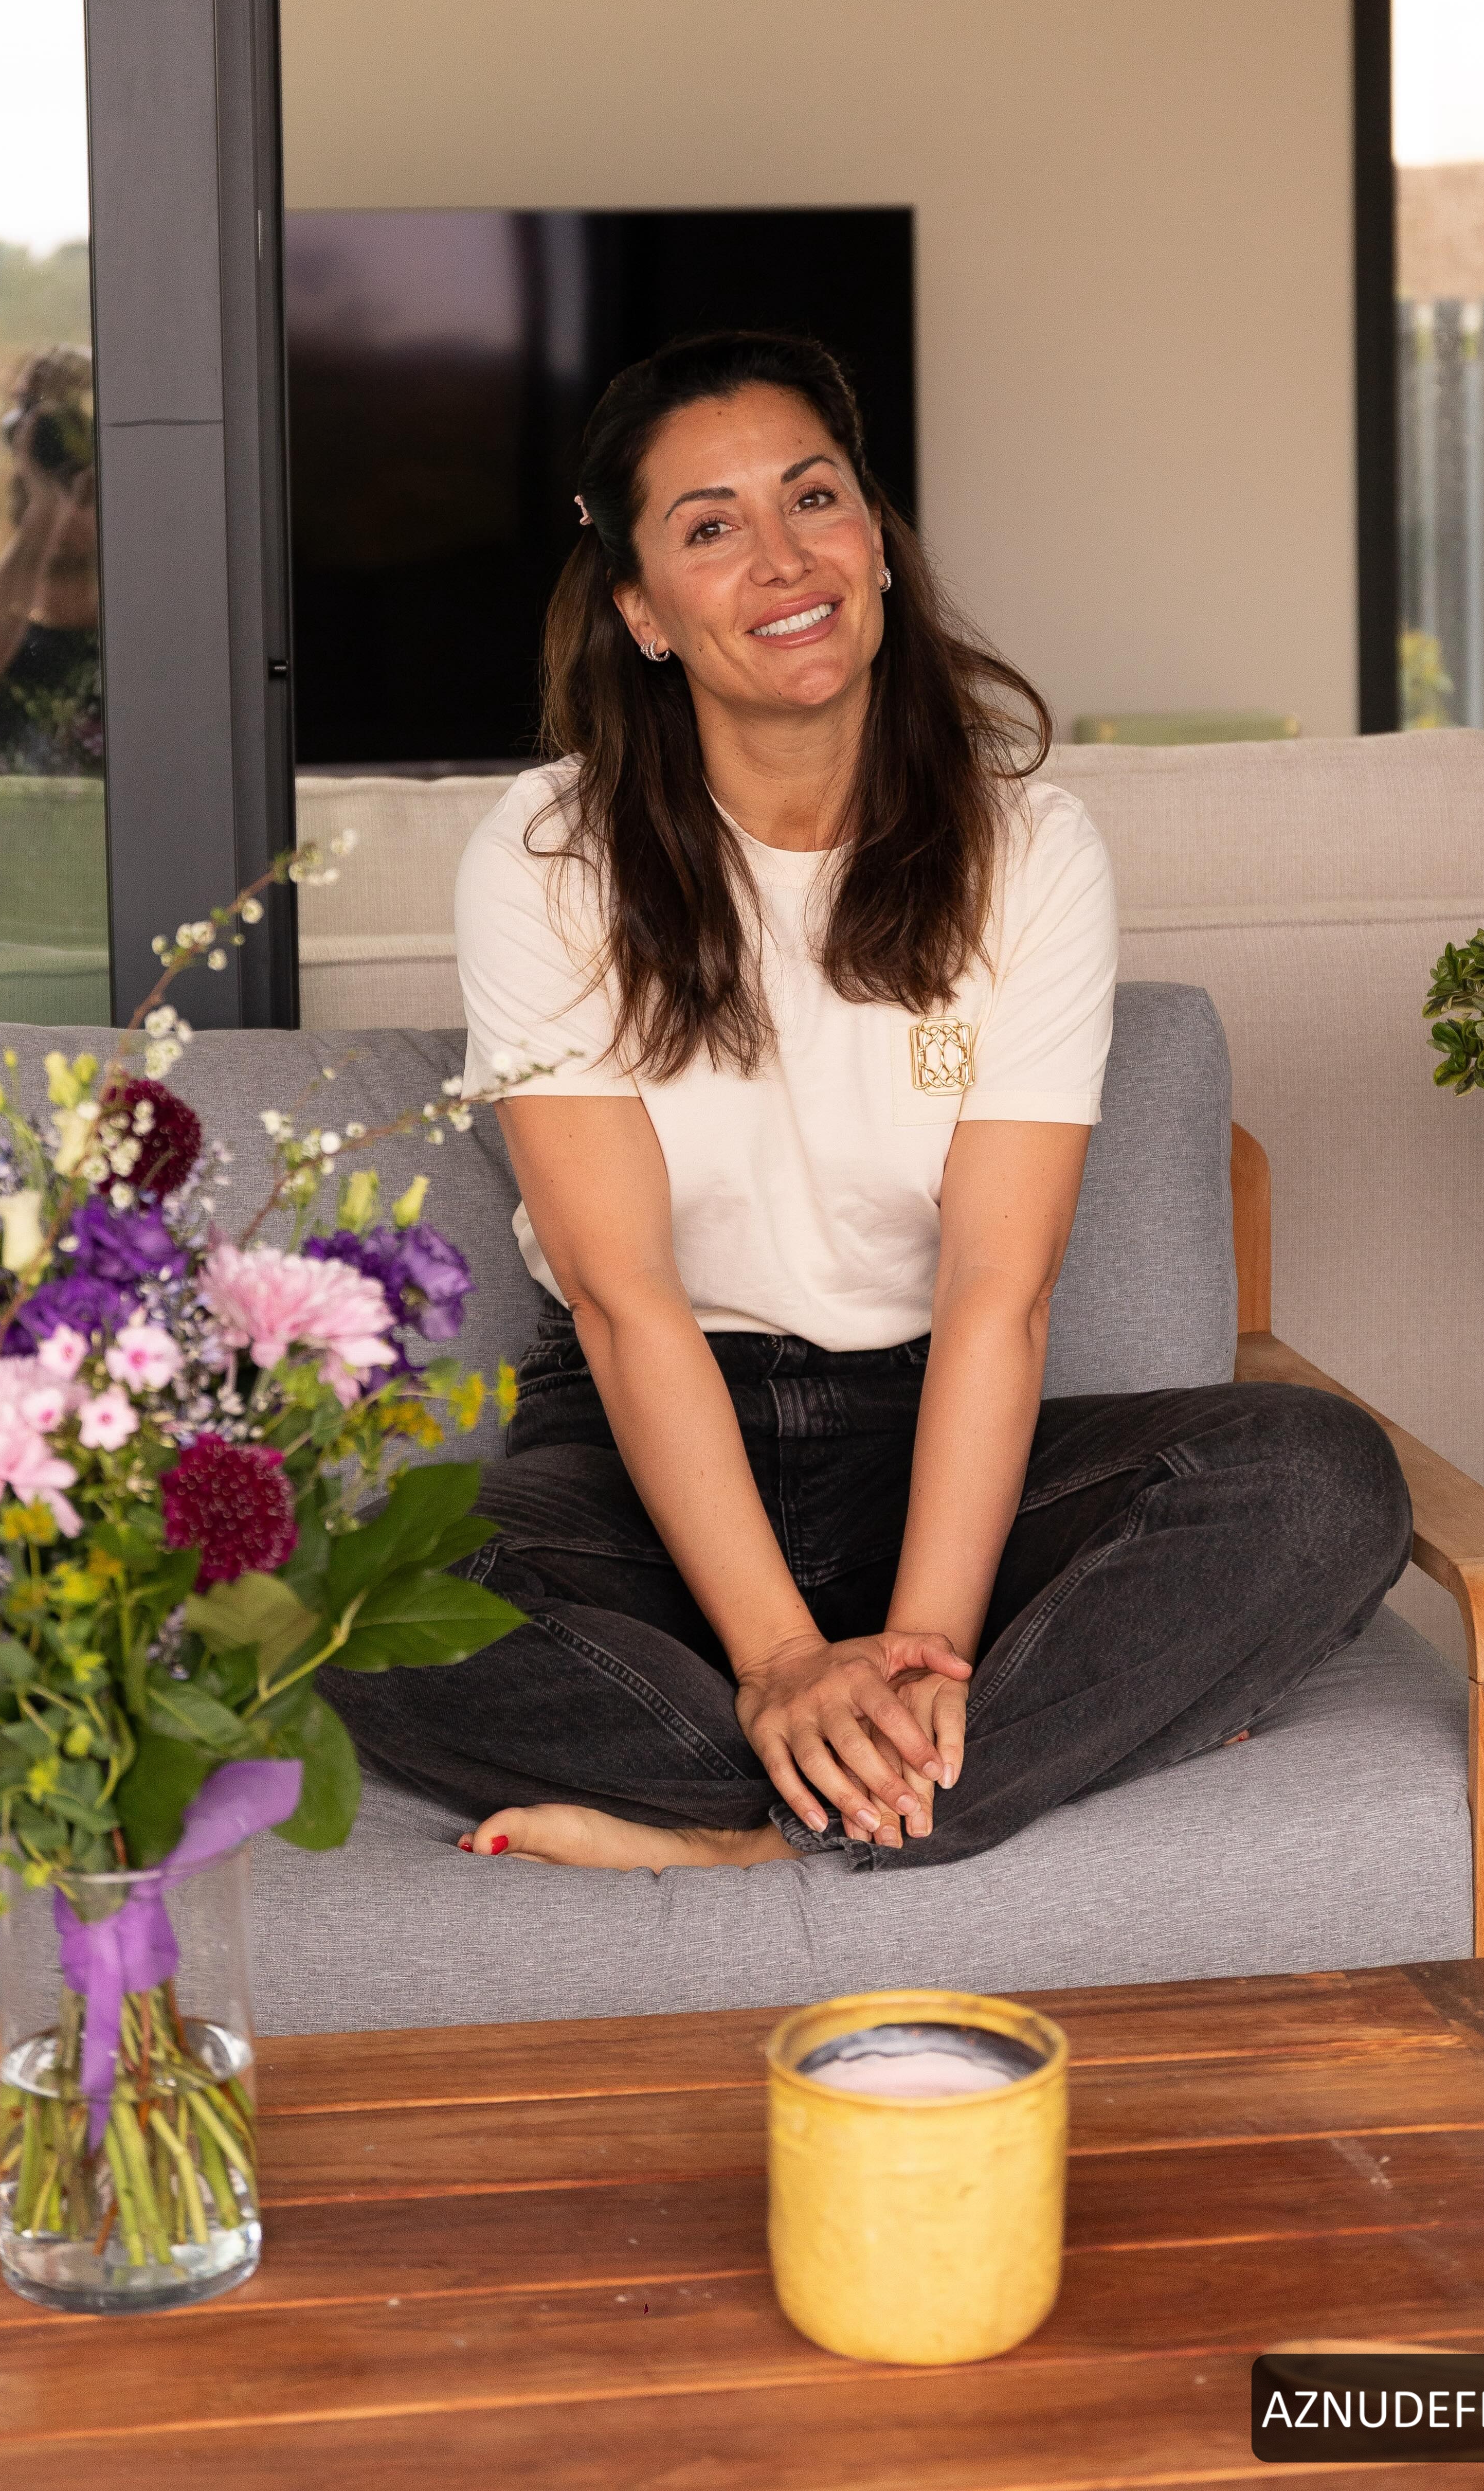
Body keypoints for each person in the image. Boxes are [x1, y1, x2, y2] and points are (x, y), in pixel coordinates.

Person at [324, 330, 1409, 1874]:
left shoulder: (1029, 852)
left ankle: (757, 1829)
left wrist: (923, 1648)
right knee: (359, 1598)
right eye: (710, 525)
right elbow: (626, 1300)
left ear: (879, 543)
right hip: (649, 1451)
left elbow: (998, 1294)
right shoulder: (549, 856)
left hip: (934, 1440)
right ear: (642, 610)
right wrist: (778, 1654)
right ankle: (954, 1768)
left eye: (814, 495)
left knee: (1318, 1480)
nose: (783, 557)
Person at [0, 346, 102, 784]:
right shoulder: (0, 630)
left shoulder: (144, 633)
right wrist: (43, 514)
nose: (69, 512)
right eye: (28, 497)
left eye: (86, 492)